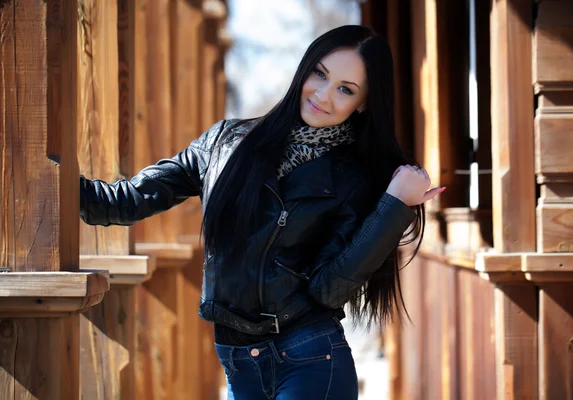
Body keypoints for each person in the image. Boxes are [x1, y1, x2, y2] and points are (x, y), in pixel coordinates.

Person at [80, 25, 443, 400]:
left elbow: (330, 288)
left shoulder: (356, 180)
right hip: (239, 364)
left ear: (363, 103)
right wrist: (44, 175)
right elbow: (123, 202)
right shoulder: (225, 143)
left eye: (345, 89)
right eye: (319, 74)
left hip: (310, 359)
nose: (322, 94)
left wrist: (395, 205)